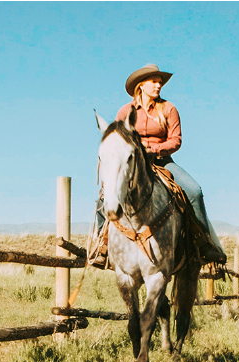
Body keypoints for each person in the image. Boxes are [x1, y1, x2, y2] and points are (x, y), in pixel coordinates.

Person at [91, 63, 227, 266]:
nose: (158, 85)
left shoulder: (169, 109)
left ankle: (204, 243)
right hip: (132, 164)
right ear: (141, 85)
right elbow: (116, 139)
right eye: (154, 81)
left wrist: (153, 149)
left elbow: (176, 140)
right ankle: (101, 246)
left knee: (194, 190)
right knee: (105, 195)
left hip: (162, 162)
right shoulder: (125, 111)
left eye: (160, 82)